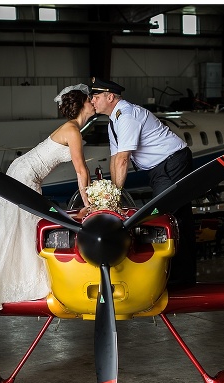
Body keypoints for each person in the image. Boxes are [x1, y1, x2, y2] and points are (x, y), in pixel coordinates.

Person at [0, 84, 95, 321]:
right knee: (23, 225)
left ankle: (18, 277)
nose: (93, 103)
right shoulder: (73, 131)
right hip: (25, 174)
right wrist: (90, 204)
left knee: (22, 226)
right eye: (90, 100)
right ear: (83, 105)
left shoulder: (72, 129)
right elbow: (82, 172)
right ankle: (10, 282)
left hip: (26, 172)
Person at [88, 76, 196, 287]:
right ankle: (176, 277)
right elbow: (114, 158)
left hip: (171, 162)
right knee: (171, 216)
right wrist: (111, 194)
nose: (92, 100)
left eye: (96, 96)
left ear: (110, 97)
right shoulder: (113, 121)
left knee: (168, 217)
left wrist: (113, 197)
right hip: (158, 169)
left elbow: (123, 159)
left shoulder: (126, 116)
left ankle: (180, 280)